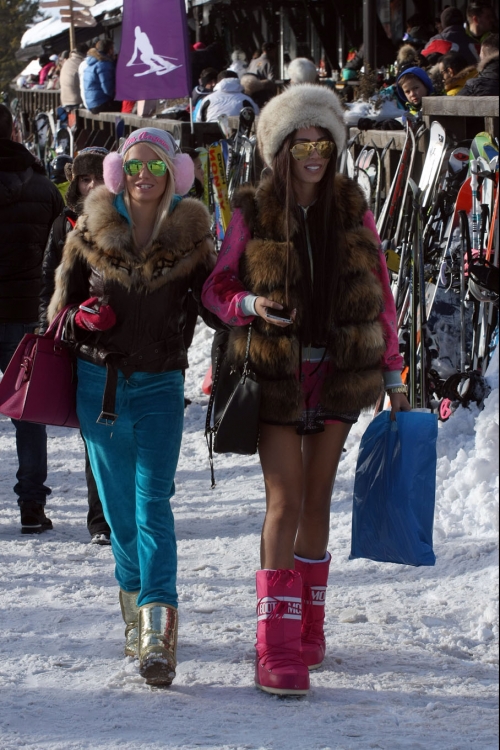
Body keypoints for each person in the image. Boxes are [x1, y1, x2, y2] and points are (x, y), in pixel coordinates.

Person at [201, 84, 410, 696]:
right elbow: (216, 288)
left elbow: (382, 295)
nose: (313, 154)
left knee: (317, 501)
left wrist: (393, 374)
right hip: (275, 373)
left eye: (323, 143)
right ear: (281, 149)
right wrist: (250, 304)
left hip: (340, 371)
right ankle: (275, 642)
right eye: (301, 144)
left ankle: (309, 628)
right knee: (285, 501)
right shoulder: (254, 211)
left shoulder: (353, 210)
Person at [46, 128, 216, 686]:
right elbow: (57, 312)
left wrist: (248, 299)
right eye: (136, 165)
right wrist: (79, 318)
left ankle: (158, 635)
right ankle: (135, 611)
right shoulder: (87, 232)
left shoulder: (192, 238)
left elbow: (214, 303)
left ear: (174, 173)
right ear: (119, 173)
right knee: (120, 516)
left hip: (161, 386)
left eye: (157, 166)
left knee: (152, 506)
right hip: (100, 388)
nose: (145, 175)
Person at [39, 147, 112, 546]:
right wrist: (49, 327)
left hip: (129, 343)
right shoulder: (64, 224)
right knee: (95, 438)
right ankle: (100, 521)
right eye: (85, 179)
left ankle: (129, 511)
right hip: (82, 342)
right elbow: (49, 283)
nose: (93, 185)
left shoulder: (129, 217)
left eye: (99, 176)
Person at [0, 103, 64, 534]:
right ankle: (31, 505)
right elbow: (57, 254)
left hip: (21, 310)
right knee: (27, 412)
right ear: (14, 132)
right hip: (24, 312)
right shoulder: (44, 188)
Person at [195, 70, 259, 123]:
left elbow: (199, 120)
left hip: (210, 133)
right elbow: (257, 118)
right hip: (238, 134)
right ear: (237, 81)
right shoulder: (246, 99)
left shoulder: (207, 99)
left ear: (218, 82)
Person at [82, 39, 120, 114]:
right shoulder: (104, 64)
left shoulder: (92, 62)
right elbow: (107, 88)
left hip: (91, 103)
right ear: (110, 50)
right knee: (123, 107)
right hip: (100, 103)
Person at [59, 44, 89, 110]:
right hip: (76, 101)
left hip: (64, 101)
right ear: (86, 53)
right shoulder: (82, 63)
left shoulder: (67, 62)